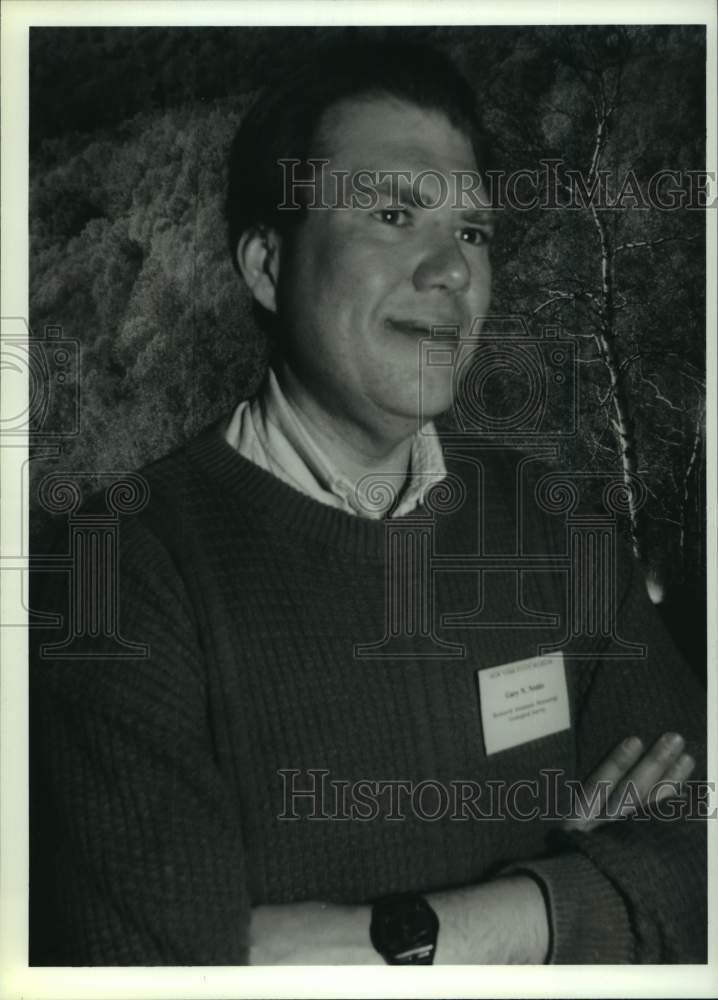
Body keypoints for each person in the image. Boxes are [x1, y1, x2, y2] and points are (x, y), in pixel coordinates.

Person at [29, 40, 706, 966]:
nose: (454, 271)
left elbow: (702, 851)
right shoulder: (115, 571)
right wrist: (597, 895)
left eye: (474, 231)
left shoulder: (561, 524)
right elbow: (160, 970)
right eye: (393, 214)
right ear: (268, 265)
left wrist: (406, 936)